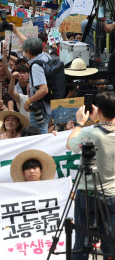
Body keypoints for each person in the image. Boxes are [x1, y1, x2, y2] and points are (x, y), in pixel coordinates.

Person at [67, 91, 115, 260]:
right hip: (111, 194)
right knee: (110, 239)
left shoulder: (92, 133)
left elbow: (71, 145)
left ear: (98, 110)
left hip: (87, 193)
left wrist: (80, 123)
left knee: (82, 240)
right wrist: (98, 117)